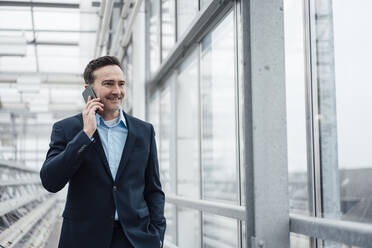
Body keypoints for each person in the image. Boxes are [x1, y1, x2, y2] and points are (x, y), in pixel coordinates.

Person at [40, 56, 166, 248]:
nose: (117, 91)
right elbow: (51, 181)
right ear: (88, 90)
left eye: (121, 84)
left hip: (135, 239)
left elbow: (154, 189)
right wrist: (85, 135)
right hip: (83, 238)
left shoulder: (144, 131)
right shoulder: (66, 129)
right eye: (108, 84)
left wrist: (157, 235)